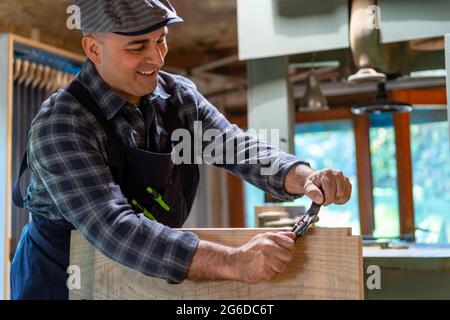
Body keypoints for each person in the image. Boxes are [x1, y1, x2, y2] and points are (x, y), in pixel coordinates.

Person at [10, 0, 352, 300]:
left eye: (161, 40)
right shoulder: (63, 122)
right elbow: (114, 227)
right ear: (93, 49)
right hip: (61, 280)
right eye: (137, 46)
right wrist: (234, 262)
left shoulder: (177, 96)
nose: (156, 58)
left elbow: (233, 145)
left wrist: (305, 176)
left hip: (142, 271)